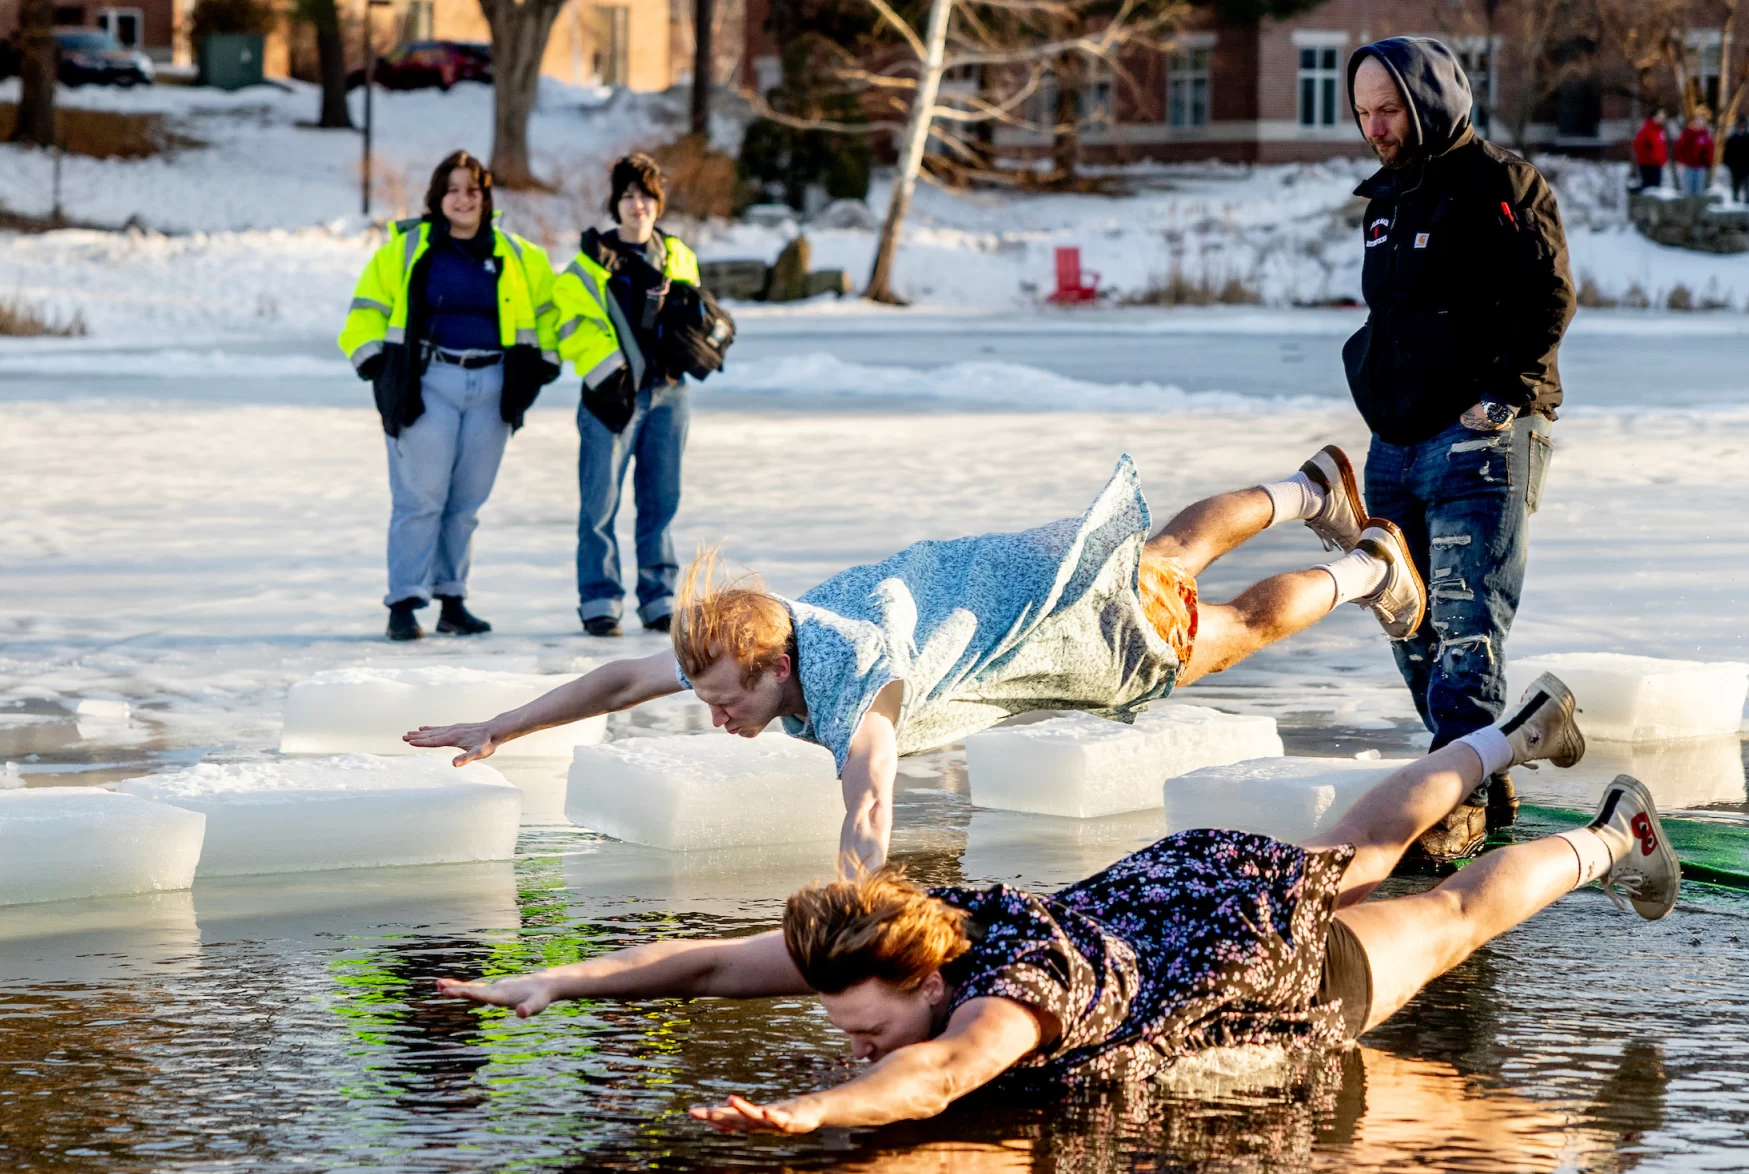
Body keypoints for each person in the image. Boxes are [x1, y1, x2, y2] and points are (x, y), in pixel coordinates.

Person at [436, 675, 1684, 1132]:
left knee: (1456, 912)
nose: (844, 1034)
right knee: (1357, 842)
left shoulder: (1002, 1007)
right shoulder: (906, 935)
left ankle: (1606, 834)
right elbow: (707, 965)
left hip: (1257, 965)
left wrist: (813, 1116)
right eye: (838, 1030)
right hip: (1186, 887)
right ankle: (1495, 740)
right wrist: (551, 981)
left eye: (860, 1024)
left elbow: (922, 1083)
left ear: (926, 982)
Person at [404, 451, 1425, 869]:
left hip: (1077, 633)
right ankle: (1304, 488)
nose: (710, 715)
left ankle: (1368, 570)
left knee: (1234, 626)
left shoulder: (846, 670)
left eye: (722, 703)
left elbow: (873, 760)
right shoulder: (765, 635)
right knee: (1165, 551)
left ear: (769, 671)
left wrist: (860, 852)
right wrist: (502, 725)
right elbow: (623, 679)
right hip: (1036, 570)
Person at [1341, 38, 1576, 858]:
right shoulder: (1384, 201)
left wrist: (1502, 395)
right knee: (1405, 620)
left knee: (1465, 617)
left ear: (1430, 99)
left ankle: (1456, 798)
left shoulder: (1502, 185)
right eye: (1364, 110)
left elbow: (1550, 295)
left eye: (1389, 109)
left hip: (1481, 435)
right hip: (1396, 442)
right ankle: (1475, 766)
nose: (1375, 126)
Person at [339, 150, 560, 641]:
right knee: (420, 498)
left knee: (466, 503)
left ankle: (452, 599)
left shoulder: (520, 255)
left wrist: (545, 361)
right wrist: (375, 362)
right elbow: (364, 312)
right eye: (454, 189)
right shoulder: (405, 248)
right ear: (438, 197)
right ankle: (404, 601)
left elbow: (549, 315)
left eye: (473, 191)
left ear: (486, 199)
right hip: (428, 383)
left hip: (494, 386)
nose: (463, 199)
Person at [555, 152, 704, 637]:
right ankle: (600, 599)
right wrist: (609, 372)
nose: (638, 205)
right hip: (610, 398)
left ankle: (659, 597)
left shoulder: (679, 255)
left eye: (646, 196)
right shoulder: (589, 263)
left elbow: (692, 318)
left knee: (661, 501)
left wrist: (699, 339)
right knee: (599, 503)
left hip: (668, 394)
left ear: (658, 202)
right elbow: (571, 325)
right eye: (628, 196)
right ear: (615, 203)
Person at [1722, 115, 1749, 204]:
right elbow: (1727, 153)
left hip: (1748, 167)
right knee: (1735, 186)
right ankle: (1735, 202)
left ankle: (1748, 202)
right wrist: (1729, 164)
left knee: (1747, 187)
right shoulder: (1732, 138)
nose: (1742, 127)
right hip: (1735, 167)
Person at [1675, 110, 1714, 196]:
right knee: (1688, 190)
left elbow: (1709, 150)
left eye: (1701, 121)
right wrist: (1682, 160)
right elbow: (1680, 148)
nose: (1698, 123)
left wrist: (1708, 162)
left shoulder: (1705, 135)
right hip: (1689, 165)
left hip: (1700, 166)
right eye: (1697, 120)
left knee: (1699, 190)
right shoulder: (1687, 134)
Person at [1632, 109, 1668, 191]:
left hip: (1657, 164)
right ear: (1654, 117)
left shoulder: (1659, 131)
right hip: (1648, 164)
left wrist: (1662, 159)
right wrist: (1651, 156)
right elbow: (1638, 145)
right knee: (1649, 189)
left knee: (1656, 189)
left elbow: (1661, 148)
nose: (1662, 118)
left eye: (1663, 116)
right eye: (1660, 115)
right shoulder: (1647, 130)